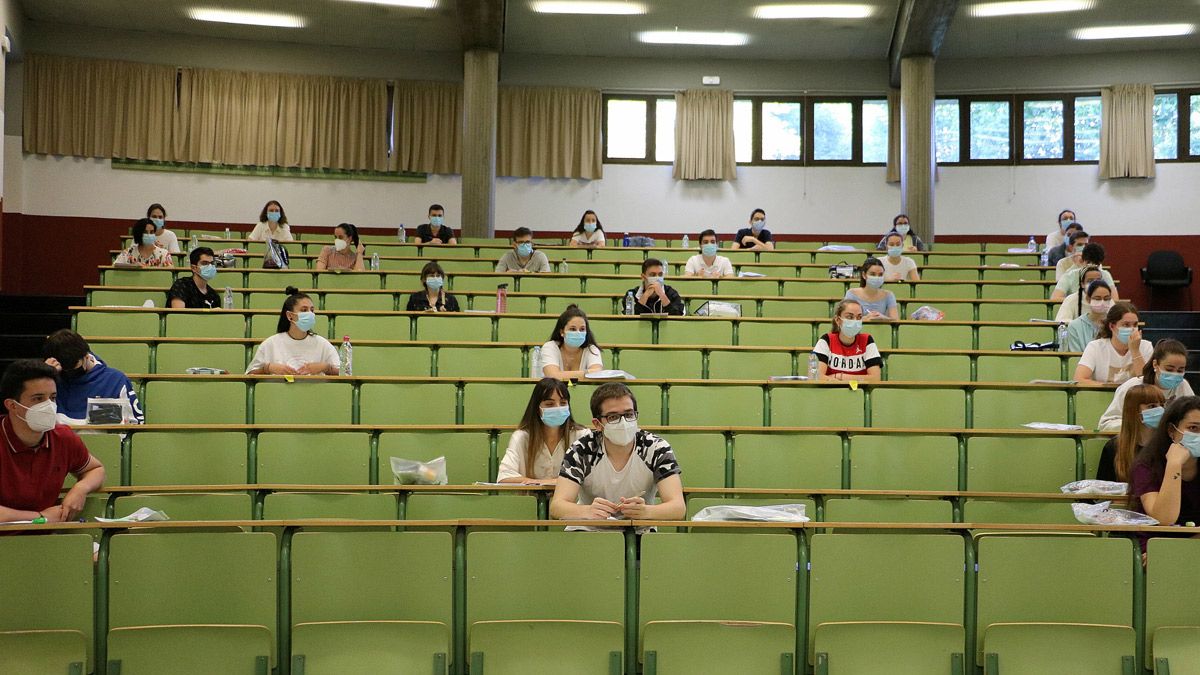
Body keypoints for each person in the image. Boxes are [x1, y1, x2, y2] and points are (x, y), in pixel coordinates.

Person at [550, 382, 684, 526]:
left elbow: (678, 508)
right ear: (597, 424)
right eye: (613, 417)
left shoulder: (656, 448)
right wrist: (587, 511)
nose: (624, 422)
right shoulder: (581, 450)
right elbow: (557, 507)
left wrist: (646, 512)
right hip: (588, 532)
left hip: (640, 531)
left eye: (629, 414)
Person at [0, 360, 106, 523]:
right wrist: (40, 518)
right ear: (12, 405)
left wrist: (80, 489)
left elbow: (96, 469)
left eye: (53, 398)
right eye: (38, 398)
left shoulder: (63, 437)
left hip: (48, 540)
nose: (49, 406)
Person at [1130, 396, 1200, 535]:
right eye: (1193, 428)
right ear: (1171, 430)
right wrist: (1174, 465)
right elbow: (1164, 520)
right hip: (1158, 545)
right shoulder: (1146, 466)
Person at [497, 378, 588, 484]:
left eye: (563, 403)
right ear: (537, 408)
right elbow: (504, 478)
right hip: (531, 500)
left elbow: (591, 478)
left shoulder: (582, 435)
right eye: (550, 404)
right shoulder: (521, 437)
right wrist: (545, 484)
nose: (558, 408)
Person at [42, 329, 144, 424]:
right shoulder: (51, 380)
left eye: (73, 368)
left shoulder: (115, 381)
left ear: (86, 356)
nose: (69, 373)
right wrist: (44, 376)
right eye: (64, 370)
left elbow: (134, 424)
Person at [1099, 339, 1194, 431]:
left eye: (1180, 370)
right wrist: (1138, 424)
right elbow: (1106, 424)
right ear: (1155, 364)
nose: (1175, 374)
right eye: (1169, 369)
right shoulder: (1132, 386)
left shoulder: (1183, 386)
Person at [246, 287, 340, 375]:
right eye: (304, 310)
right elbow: (249, 376)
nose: (310, 314)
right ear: (290, 316)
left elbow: (345, 374)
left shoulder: (322, 344)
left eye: (312, 310)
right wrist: (267, 368)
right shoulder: (270, 344)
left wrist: (327, 368)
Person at [1097, 384, 1166, 482]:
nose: (1160, 410)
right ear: (1133, 410)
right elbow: (1103, 488)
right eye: (1152, 406)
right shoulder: (1113, 447)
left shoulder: (1168, 445)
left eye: (1162, 405)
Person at [1074, 301, 1153, 386]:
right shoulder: (1095, 347)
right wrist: (1110, 388)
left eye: (1135, 325)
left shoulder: (1146, 347)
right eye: (1126, 325)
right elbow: (1079, 379)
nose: (1132, 329)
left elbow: (1147, 383)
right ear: (1112, 326)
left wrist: (1135, 351)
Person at [813, 300, 883, 382]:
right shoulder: (827, 340)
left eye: (859, 317)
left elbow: (875, 378)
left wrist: (839, 376)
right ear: (838, 320)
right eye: (850, 317)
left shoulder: (867, 340)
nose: (855, 321)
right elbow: (815, 376)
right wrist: (859, 379)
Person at [537, 305, 604, 379]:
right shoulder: (550, 347)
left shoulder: (591, 349)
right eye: (572, 329)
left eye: (582, 329)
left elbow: (597, 373)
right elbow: (553, 376)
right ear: (562, 332)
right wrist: (587, 373)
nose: (578, 333)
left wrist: (562, 375)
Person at [1050, 243, 1116, 302]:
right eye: (1088, 263)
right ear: (1083, 261)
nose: (1091, 267)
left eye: (1096, 264)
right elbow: (1055, 298)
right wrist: (1082, 302)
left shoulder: (1105, 275)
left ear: (1100, 264)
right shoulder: (1070, 275)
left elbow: (1115, 299)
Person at [1062, 278, 1113, 352]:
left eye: (1106, 298)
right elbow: (1075, 356)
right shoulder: (1075, 326)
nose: (1102, 302)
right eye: (1097, 298)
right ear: (1088, 299)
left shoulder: (1115, 324)